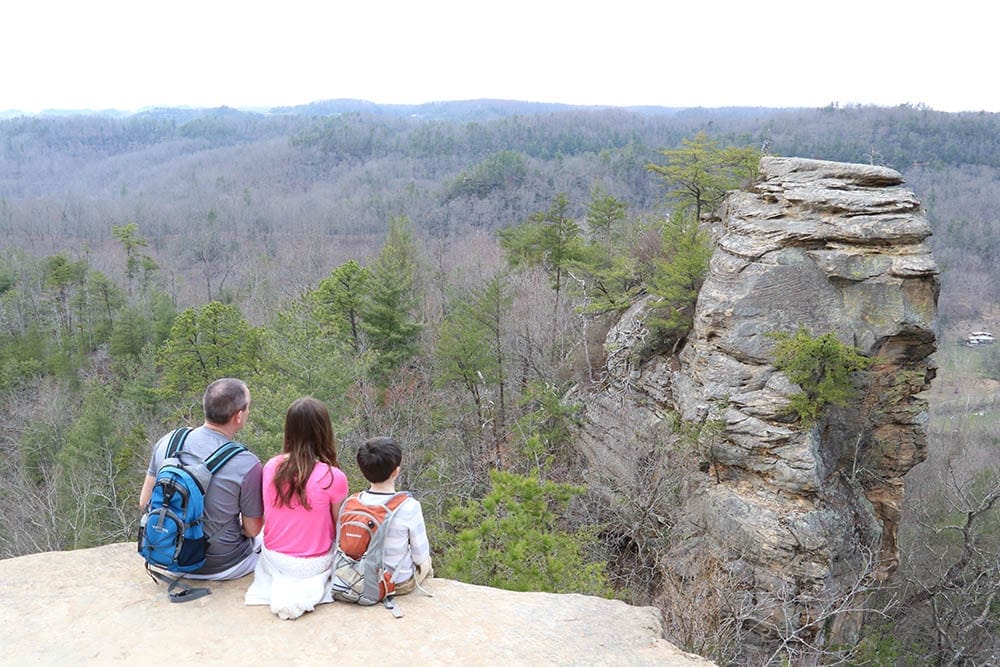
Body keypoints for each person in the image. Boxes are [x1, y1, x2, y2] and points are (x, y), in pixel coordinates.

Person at [139, 377, 263, 580]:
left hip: (168, 556)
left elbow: (144, 502)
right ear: (238, 416)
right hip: (223, 565)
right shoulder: (245, 463)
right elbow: (252, 529)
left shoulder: (168, 441)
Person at [244, 397, 349, 619]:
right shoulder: (334, 477)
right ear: (324, 431)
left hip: (276, 558)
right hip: (315, 563)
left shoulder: (271, 466)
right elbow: (338, 525)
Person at [354, 436, 432, 595]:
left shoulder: (353, 502)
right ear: (396, 471)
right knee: (427, 563)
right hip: (396, 582)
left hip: (358, 578)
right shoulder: (409, 506)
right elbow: (420, 556)